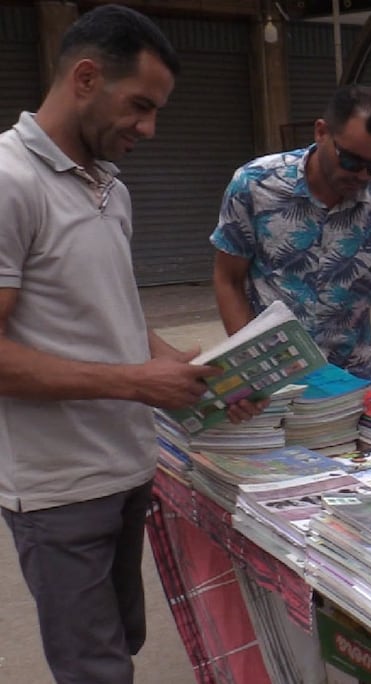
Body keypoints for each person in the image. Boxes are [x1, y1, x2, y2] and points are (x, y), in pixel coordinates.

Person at [0, 6, 259, 681]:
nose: (148, 128)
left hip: (125, 466)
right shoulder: (8, 181)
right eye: (140, 106)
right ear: (86, 77)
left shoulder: (108, 187)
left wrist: (174, 360)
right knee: (97, 669)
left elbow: (108, 309)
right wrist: (138, 383)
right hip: (57, 487)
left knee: (124, 645)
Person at [211, 85, 371, 389]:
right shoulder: (255, 185)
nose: (363, 175)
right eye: (351, 161)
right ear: (321, 132)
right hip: (272, 378)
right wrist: (249, 360)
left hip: (350, 382)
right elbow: (228, 280)